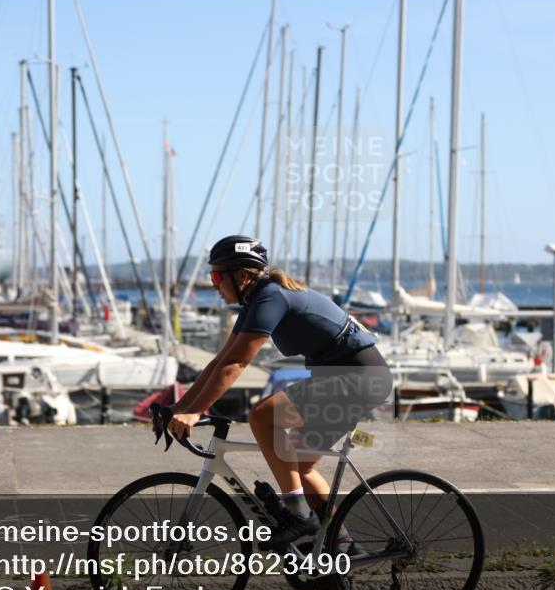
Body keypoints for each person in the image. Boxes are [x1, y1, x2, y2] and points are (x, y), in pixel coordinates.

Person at [165, 235, 392, 551]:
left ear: (242, 274)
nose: (214, 285)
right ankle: (343, 546)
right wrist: (181, 405)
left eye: (216, 276)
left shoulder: (271, 297)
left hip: (358, 377)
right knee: (298, 467)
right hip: (351, 377)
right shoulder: (256, 300)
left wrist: (194, 411)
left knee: (262, 415)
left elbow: (236, 363)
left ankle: (298, 515)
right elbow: (220, 360)